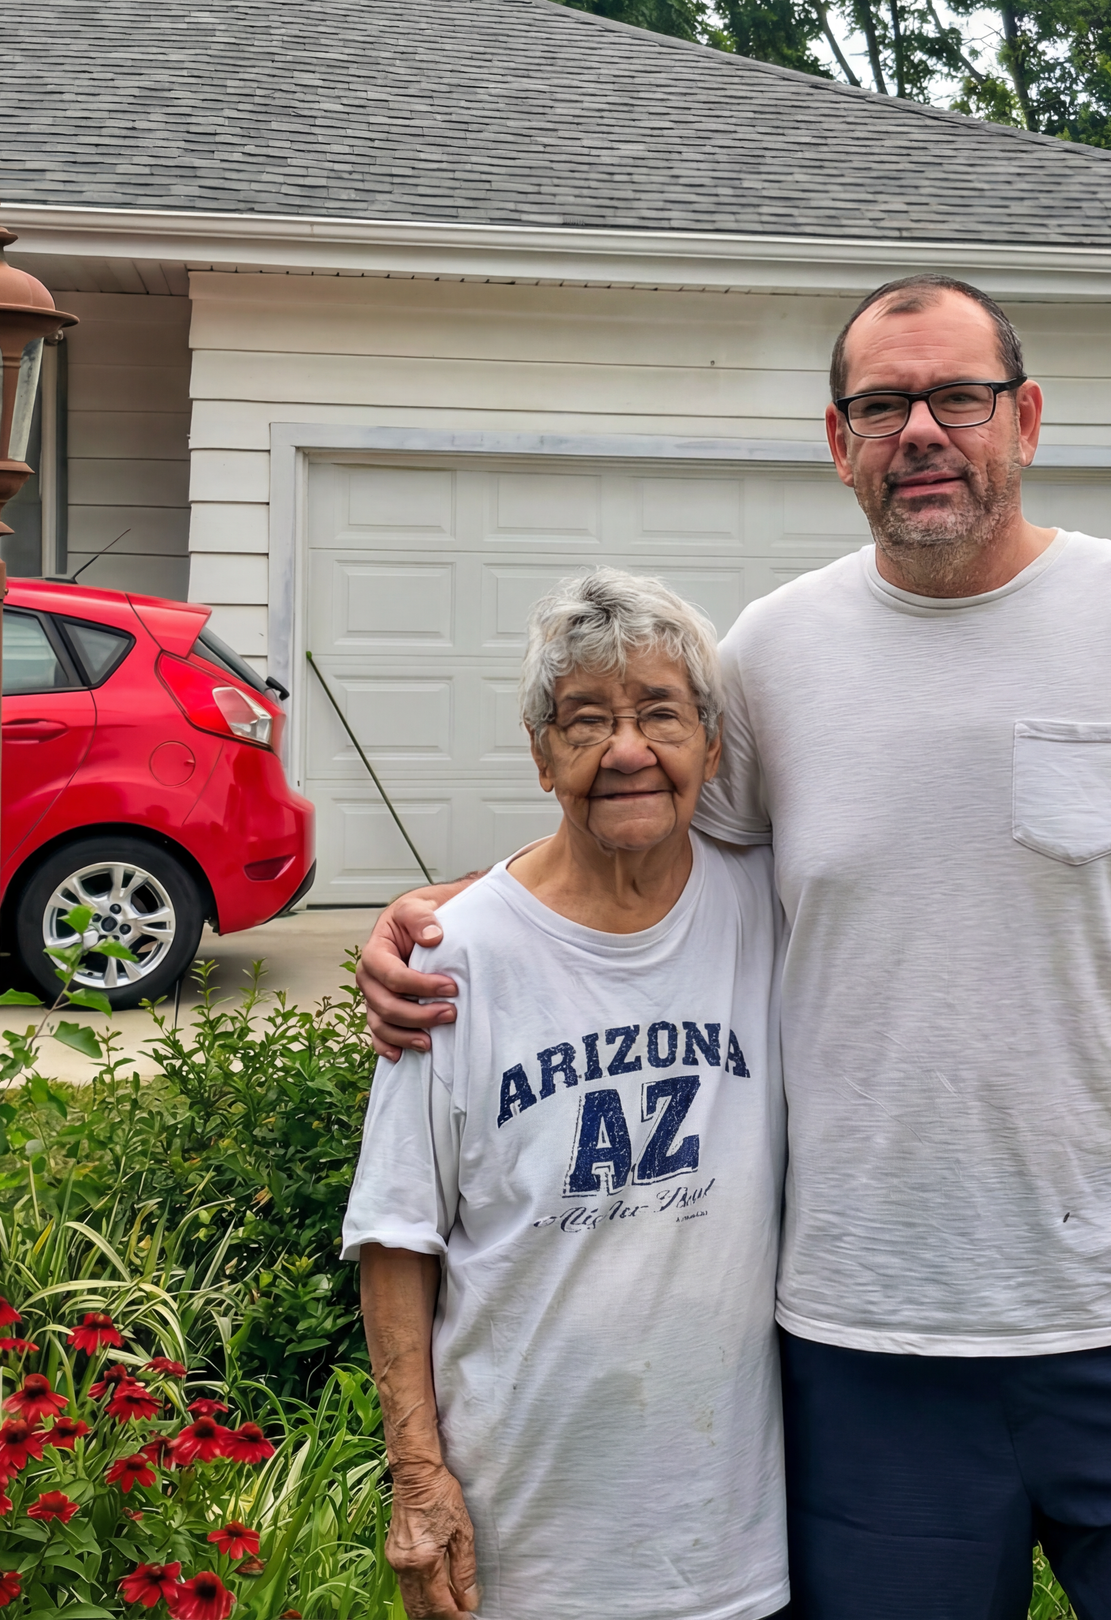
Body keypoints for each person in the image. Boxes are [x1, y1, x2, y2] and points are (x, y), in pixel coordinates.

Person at [358, 275, 1111, 1620]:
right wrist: (456, 915)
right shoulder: (777, 652)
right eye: (883, 405)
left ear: (1026, 418)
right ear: (840, 443)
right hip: (869, 1351)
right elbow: (639, 834)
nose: (921, 430)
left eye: (957, 398)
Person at [341, 570, 788, 1620]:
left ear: (712, 750)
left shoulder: (768, 905)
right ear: (543, 759)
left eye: (661, 715)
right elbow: (397, 1232)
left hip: (729, 1548)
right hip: (521, 1548)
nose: (627, 750)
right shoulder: (456, 958)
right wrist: (417, 1480)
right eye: (587, 722)